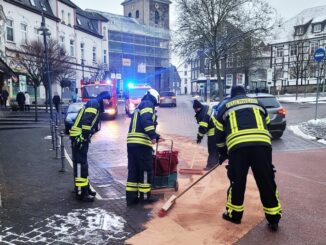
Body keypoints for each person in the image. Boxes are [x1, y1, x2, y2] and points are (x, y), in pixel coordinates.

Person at [214, 85, 282, 231]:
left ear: (232, 96)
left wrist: (222, 152)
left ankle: (234, 215)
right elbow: (267, 124)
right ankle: (274, 218)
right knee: (266, 180)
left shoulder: (225, 107)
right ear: (245, 94)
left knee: (237, 181)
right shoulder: (258, 103)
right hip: (262, 146)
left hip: (238, 149)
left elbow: (218, 134)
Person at [69, 91, 111, 202]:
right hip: (79, 136)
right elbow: (86, 120)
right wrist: (84, 136)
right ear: (103, 98)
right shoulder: (94, 104)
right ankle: (81, 193)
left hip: (79, 136)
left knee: (83, 164)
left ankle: (85, 188)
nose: (109, 102)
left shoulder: (95, 104)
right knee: (80, 165)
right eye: (108, 99)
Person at [126, 88, 162, 206]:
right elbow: (146, 121)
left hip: (132, 143)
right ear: (154, 97)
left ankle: (131, 198)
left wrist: (155, 133)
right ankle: (145, 197)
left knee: (133, 170)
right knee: (145, 170)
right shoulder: (148, 104)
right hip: (141, 144)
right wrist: (153, 135)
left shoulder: (140, 105)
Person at [193, 99, 219, 170]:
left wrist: (199, 138)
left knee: (211, 149)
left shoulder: (202, 115)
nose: (195, 111)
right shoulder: (205, 107)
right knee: (214, 148)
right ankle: (216, 161)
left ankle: (211, 165)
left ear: (199, 107)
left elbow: (203, 128)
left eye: (195, 109)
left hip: (214, 131)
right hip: (218, 128)